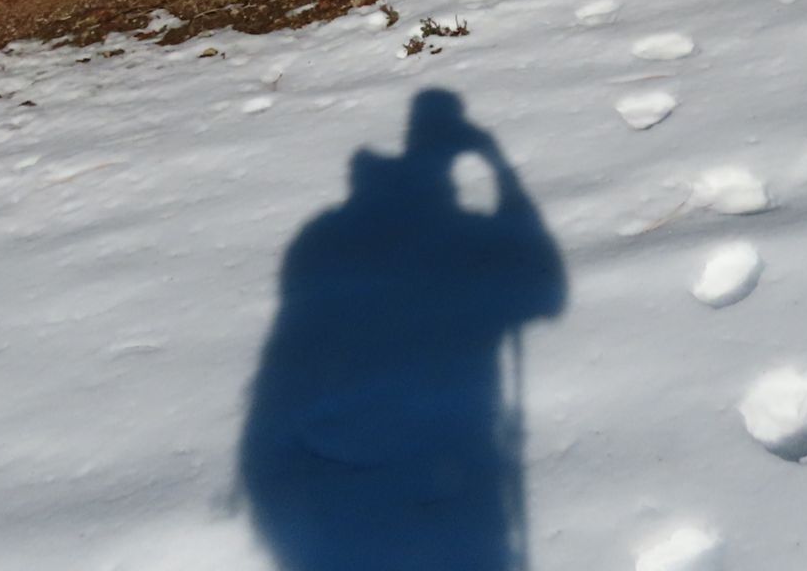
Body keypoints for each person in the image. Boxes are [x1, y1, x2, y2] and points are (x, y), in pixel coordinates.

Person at [239, 89, 567, 571]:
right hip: (459, 448)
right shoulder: (460, 237)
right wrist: (499, 168)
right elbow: (545, 291)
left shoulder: (323, 239)